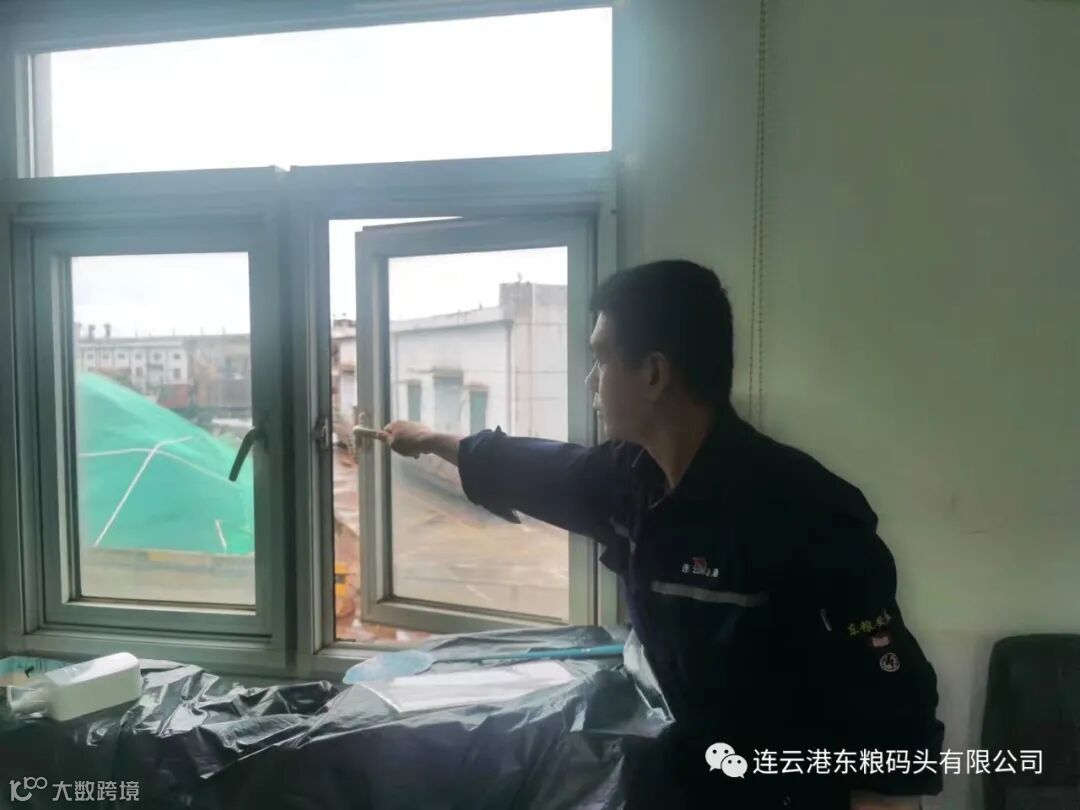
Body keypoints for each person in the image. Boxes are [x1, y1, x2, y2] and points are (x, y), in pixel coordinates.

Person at [378, 260, 945, 809]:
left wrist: (882, 797)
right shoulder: (629, 480)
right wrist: (428, 439)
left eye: (601, 358)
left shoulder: (803, 510)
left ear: (653, 373)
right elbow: (532, 468)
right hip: (688, 772)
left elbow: (889, 685)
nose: (591, 380)